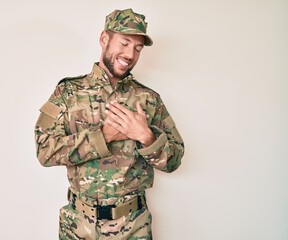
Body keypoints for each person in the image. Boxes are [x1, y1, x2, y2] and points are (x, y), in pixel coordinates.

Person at [34, 8, 184, 240]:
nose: (130, 54)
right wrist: (102, 137)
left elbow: (174, 160)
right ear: (104, 39)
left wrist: (146, 137)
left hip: (134, 226)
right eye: (124, 43)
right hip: (79, 226)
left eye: (137, 48)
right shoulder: (68, 92)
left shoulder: (149, 99)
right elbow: (44, 151)